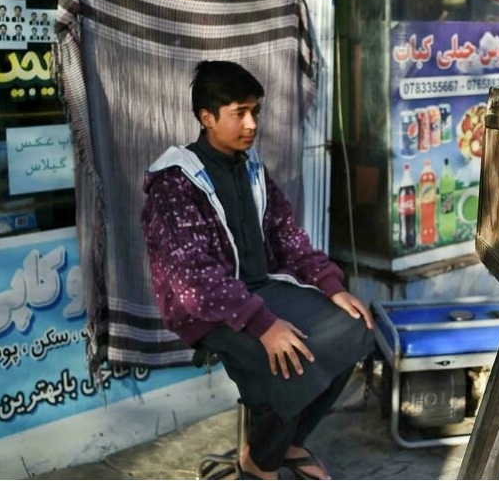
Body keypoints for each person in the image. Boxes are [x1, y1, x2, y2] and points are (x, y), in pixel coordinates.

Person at [141, 61, 375, 480]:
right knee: (291, 359)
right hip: (208, 310)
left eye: (256, 112)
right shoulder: (175, 182)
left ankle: (283, 445)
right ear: (206, 117)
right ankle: (261, 461)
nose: (251, 124)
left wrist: (331, 285)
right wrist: (264, 325)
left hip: (260, 290)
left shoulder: (251, 169)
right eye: (239, 113)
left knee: (355, 326)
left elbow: (288, 236)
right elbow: (194, 280)